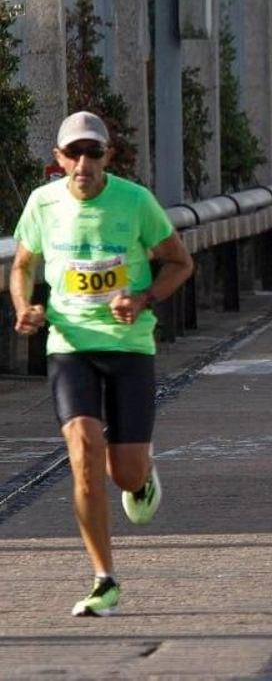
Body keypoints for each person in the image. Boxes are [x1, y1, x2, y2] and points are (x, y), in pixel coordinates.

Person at [11, 112, 196, 617]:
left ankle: (143, 475)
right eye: (74, 154)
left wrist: (142, 298)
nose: (83, 163)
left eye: (94, 153)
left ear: (108, 157)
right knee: (83, 451)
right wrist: (24, 307)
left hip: (130, 346)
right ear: (59, 159)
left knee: (124, 473)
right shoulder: (43, 204)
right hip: (70, 345)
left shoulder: (135, 202)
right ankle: (104, 578)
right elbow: (23, 265)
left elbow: (180, 262)